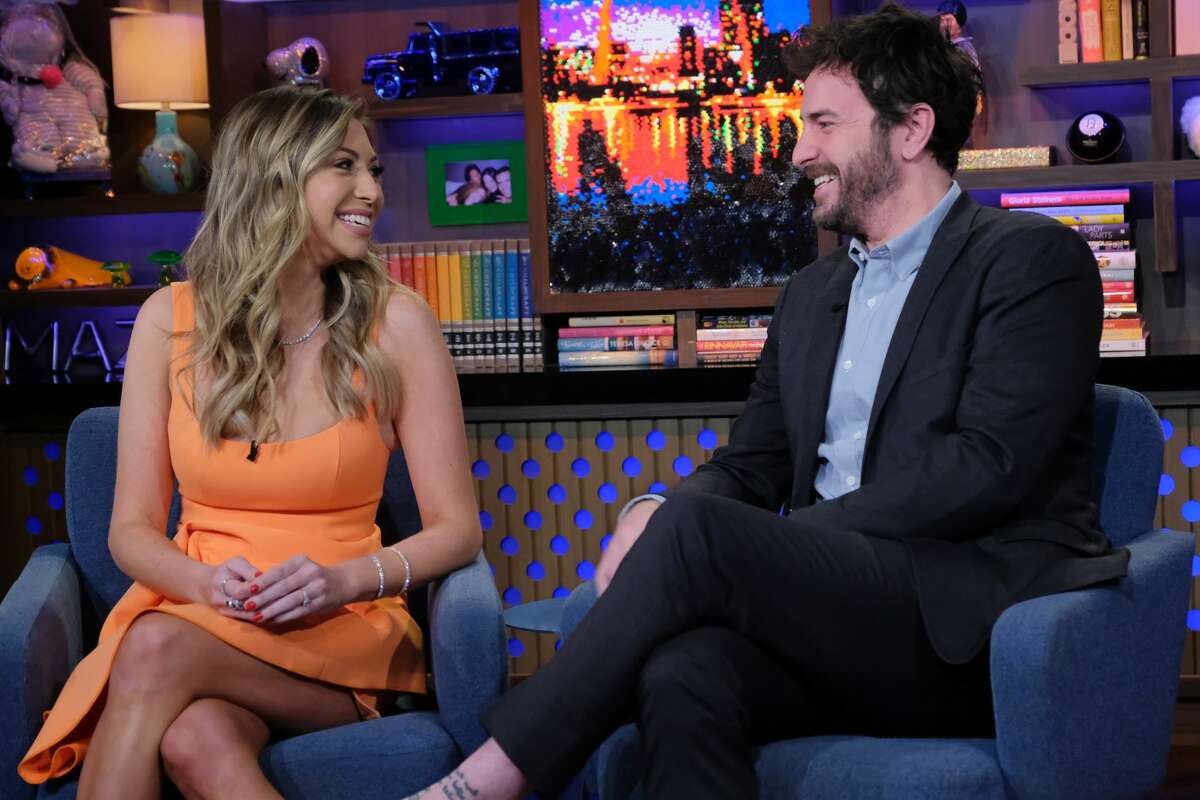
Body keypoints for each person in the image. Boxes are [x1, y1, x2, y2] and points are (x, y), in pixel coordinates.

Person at [410, 5, 1129, 799]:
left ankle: (488, 778)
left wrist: (754, 545)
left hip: (960, 628)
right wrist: (659, 505)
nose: (799, 152)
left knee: (701, 532)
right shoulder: (812, 294)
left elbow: (985, 467)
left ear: (912, 130)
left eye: (824, 124)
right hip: (831, 624)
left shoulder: (1032, 259)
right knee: (684, 672)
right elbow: (750, 464)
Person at [17, 85, 482, 798]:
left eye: (374, 169)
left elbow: (457, 533)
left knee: (151, 648)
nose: (371, 190)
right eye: (344, 166)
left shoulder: (399, 324)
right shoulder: (165, 322)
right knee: (196, 738)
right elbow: (132, 533)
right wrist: (205, 586)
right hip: (201, 609)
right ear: (274, 178)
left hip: (343, 626)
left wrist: (344, 579)